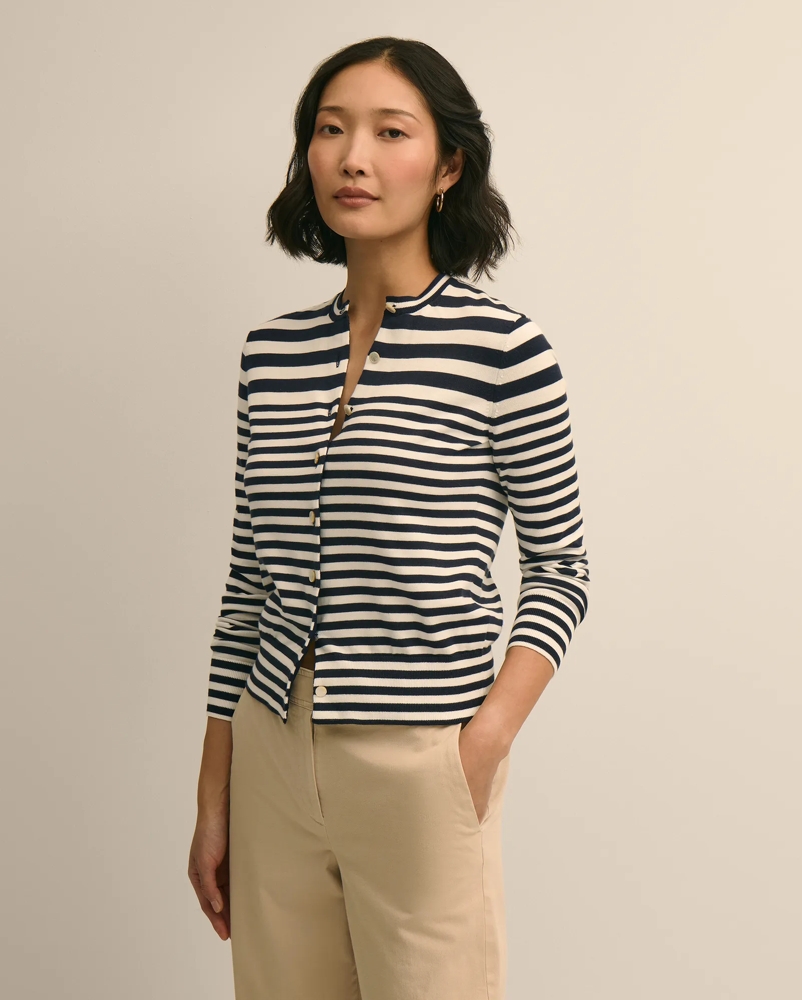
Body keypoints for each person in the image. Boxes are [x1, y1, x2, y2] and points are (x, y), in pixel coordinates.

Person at [188, 35, 590, 1000]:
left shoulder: (503, 351)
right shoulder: (270, 356)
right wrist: (216, 793)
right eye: (330, 130)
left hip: (421, 754)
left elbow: (561, 568)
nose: (353, 157)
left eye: (389, 132)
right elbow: (249, 582)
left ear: (449, 166)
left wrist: (479, 745)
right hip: (273, 748)